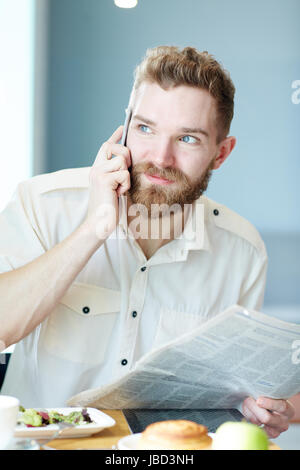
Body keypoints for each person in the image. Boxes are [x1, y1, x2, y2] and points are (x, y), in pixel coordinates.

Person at [0, 46, 294, 437]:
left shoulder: (242, 251)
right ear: (124, 127)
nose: (161, 157)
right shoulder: (42, 204)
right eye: (145, 128)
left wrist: (262, 407)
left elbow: (233, 390)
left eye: (187, 138)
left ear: (220, 153)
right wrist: (94, 228)